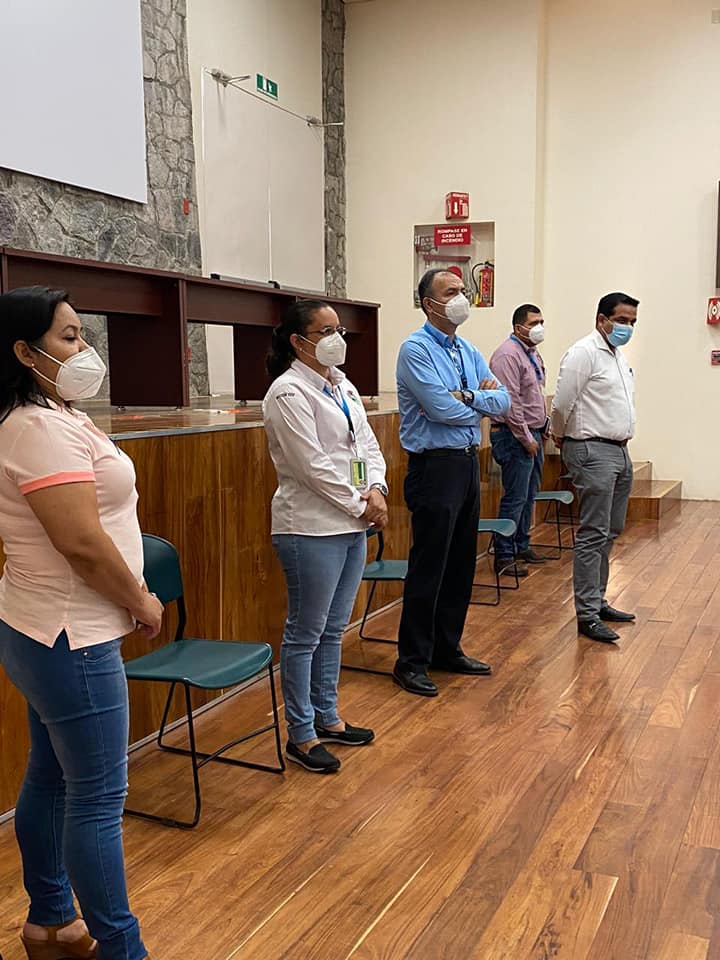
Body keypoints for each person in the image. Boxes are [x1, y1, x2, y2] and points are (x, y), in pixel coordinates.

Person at [0, 287, 161, 960]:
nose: (84, 349)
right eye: (68, 337)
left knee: (52, 777)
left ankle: (51, 923)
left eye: (81, 334)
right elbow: (82, 543)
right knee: (96, 799)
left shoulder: (54, 414)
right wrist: (141, 600)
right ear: (23, 351)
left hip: (47, 630)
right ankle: (122, 949)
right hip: (73, 636)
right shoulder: (36, 428)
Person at [263, 300, 388, 774]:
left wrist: (377, 488)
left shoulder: (342, 384)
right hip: (311, 527)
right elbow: (311, 466)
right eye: (326, 331)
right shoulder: (287, 392)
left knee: (334, 629)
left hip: (353, 523)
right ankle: (301, 732)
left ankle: (328, 716)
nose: (337, 339)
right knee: (305, 632)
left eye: (340, 330)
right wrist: (363, 503)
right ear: (299, 341)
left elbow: (367, 445)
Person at [394, 269, 511, 697]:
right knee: (430, 566)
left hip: (465, 463)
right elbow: (440, 409)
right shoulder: (416, 349)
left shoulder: (468, 350)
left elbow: (503, 401)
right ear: (430, 304)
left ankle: (447, 648)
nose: (463, 297)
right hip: (434, 467)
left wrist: (469, 398)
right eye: (452, 292)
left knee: (461, 563)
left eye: (463, 290)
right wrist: (477, 402)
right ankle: (411, 661)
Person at [550, 292, 639, 643]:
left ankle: (598, 600)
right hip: (591, 448)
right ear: (602, 320)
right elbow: (562, 403)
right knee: (593, 533)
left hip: (618, 450)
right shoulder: (583, 353)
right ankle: (586, 614)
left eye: (632, 322)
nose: (628, 327)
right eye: (622, 320)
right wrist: (560, 435)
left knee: (611, 530)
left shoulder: (617, 355)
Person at [489, 304, 549, 578]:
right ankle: (504, 555)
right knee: (515, 497)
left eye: (542, 322)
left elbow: (535, 394)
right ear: (518, 327)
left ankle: (521, 545)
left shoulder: (532, 353)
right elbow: (509, 402)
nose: (539, 328)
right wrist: (525, 437)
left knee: (529, 495)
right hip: (513, 436)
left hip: (533, 433)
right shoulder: (507, 355)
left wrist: (543, 426)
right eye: (534, 323)